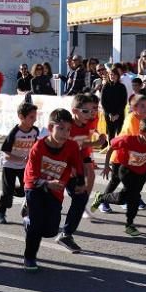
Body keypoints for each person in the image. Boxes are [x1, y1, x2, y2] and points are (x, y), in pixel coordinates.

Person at [21, 108, 85, 271]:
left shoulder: (71, 146)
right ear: (50, 128)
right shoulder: (38, 147)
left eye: (68, 130)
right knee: (36, 225)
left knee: (50, 230)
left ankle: (27, 221)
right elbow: (31, 177)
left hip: (55, 190)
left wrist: (79, 182)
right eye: (61, 128)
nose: (65, 133)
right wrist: (47, 183)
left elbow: (78, 165)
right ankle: (29, 258)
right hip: (35, 187)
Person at [94, 117, 146, 237]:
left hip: (142, 173)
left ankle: (101, 197)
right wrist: (106, 166)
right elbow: (111, 147)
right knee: (134, 197)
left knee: (123, 198)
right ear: (142, 132)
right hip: (127, 171)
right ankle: (129, 224)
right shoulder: (128, 140)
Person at [55, 93, 102, 253]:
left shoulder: (88, 124)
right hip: (61, 167)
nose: (91, 114)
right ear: (75, 111)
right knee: (52, 205)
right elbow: (62, 146)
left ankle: (66, 235)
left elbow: (81, 144)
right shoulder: (67, 126)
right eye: (86, 111)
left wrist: (96, 142)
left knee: (80, 198)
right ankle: (31, 204)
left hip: (77, 166)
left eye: (93, 111)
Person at [0, 101, 40, 224]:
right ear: (21, 117)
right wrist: (20, 159)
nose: (34, 120)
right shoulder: (15, 132)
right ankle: (1, 212)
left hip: (24, 166)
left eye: (35, 117)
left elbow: (36, 148)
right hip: (9, 164)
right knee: (7, 193)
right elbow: (5, 152)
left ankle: (10, 191)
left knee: (24, 190)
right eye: (31, 117)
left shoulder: (35, 131)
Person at [101, 66, 128, 142]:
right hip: (109, 114)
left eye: (114, 74)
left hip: (119, 113)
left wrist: (117, 114)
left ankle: (119, 151)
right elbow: (103, 102)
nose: (112, 76)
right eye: (110, 74)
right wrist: (109, 114)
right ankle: (111, 151)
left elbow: (124, 102)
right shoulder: (106, 86)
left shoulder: (122, 87)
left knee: (120, 133)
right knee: (111, 133)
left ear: (117, 76)